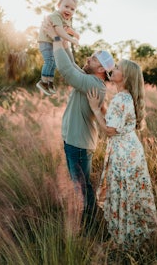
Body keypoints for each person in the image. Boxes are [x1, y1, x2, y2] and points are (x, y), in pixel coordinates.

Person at [42, 19, 115, 225]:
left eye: (92, 59)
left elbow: (66, 70)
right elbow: (72, 64)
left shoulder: (95, 85)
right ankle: (87, 219)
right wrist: (64, 41)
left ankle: (89, 224)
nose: (88, 58)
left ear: (100, 68)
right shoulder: (90, 78)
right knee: (80, 186)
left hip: (79, 146)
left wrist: (56, 37)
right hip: (74, 142)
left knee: (82, 188)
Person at [87, 59, 157, 249]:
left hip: (122, 153)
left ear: (125, 77)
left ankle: (124, 240)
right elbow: (115, 122)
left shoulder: (121, 99)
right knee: (131, 192)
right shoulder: (126, 97)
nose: (113, 69)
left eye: (117, 68)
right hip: (132, 150)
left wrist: (95, 108)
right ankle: (135, 234)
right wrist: (103, 107)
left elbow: (110, 130)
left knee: (122, 192)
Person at [36, 0, 80, 96]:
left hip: (52, 42)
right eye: (66, 6)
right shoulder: (56, 15)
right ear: (59, 5)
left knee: (54, 62)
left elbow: (67, 28)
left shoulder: (65, 19)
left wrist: (75, 34)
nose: (69, 10)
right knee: (49, 61)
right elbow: (60, 31)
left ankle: (49, 83)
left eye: (72, 9)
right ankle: (43, 82)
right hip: (45, 42)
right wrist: (72, 39)